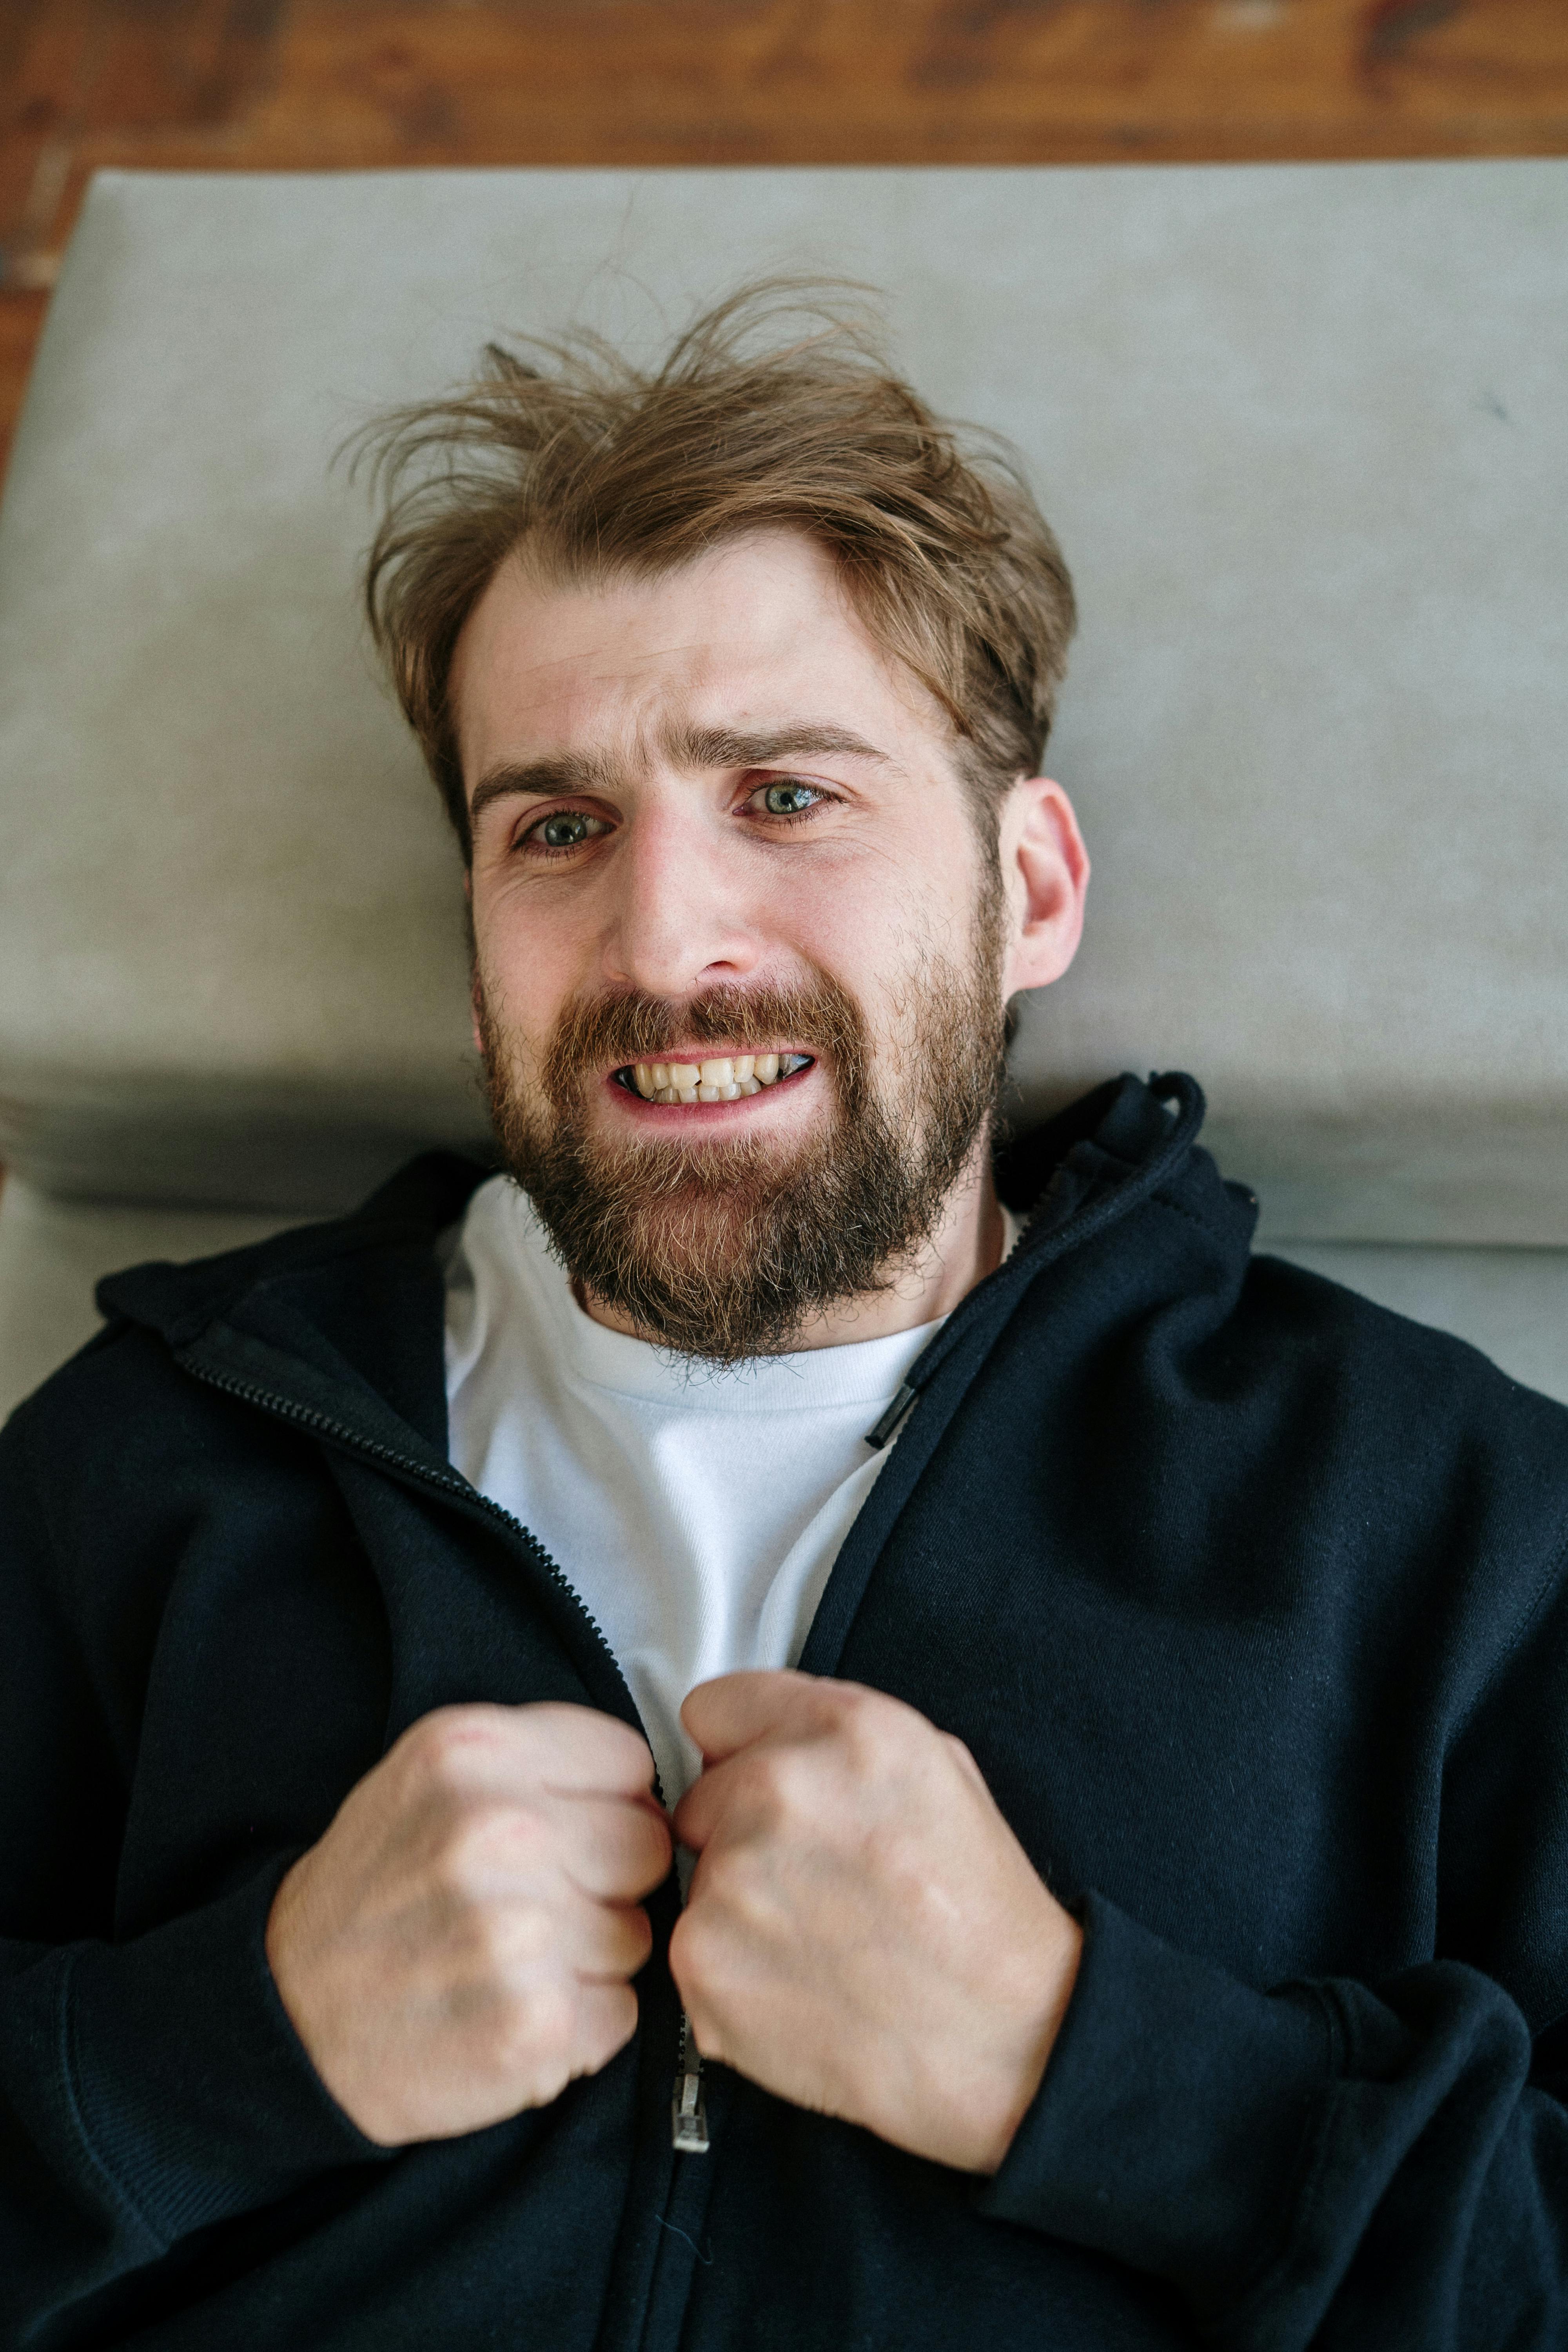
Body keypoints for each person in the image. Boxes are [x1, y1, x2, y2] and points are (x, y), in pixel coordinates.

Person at [3, 283, 1567, 2352]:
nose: (664, 942)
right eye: (555, 827)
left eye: (785, 796)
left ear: (1032, 888)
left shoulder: (1447, 1520)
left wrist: (1088, 2074)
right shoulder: (148, 1460)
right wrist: (217, 2058)